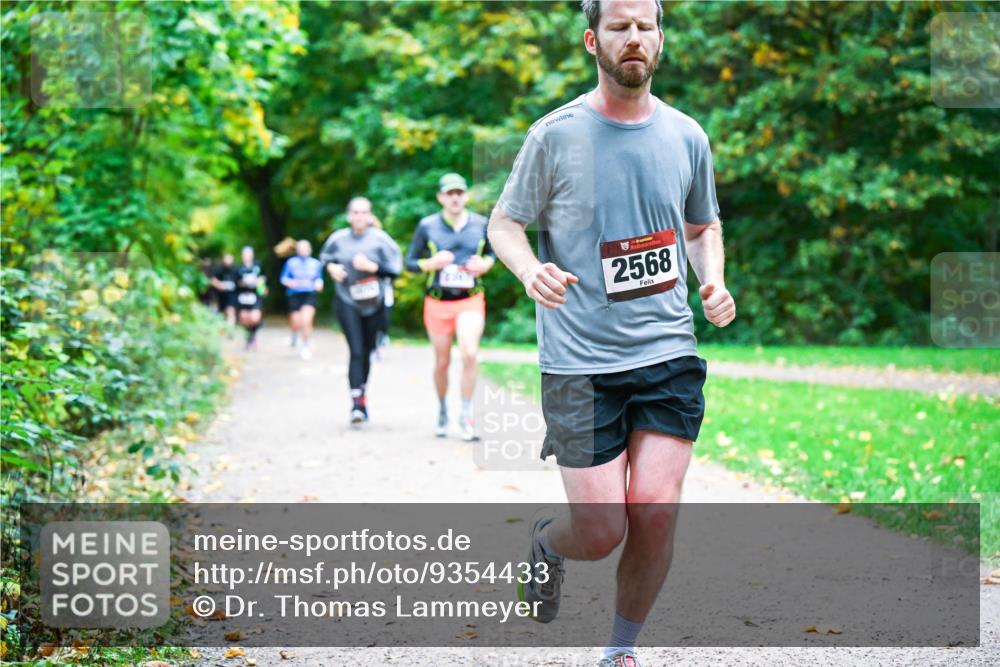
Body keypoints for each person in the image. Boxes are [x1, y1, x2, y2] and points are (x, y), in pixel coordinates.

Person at [487, 1, 736, 665]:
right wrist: (530, 267)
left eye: (646, 26)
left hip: (667, 352)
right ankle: (547, 539)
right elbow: (504, 224)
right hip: (578, 361)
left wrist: (711, 277)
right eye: (621, 26)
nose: (635, 38)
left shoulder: (687, 136)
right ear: (594, 40)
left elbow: (700, 224)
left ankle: (620, 650)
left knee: (655, 507)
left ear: (660, 39)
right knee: (600, 531)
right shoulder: (555, 135)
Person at [405, 173, 495, 441]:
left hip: (470, 298)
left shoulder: (481, 223)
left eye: (459, 193)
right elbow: (410, 262)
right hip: (437, 301)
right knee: (442, 362)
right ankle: (443, 410)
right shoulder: (427, 226)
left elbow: (492, 254)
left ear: (465, 196)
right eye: (449, 193)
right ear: (441, 197)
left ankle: (465, 415)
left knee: (469, 354)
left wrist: (486, 265)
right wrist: (430, 264)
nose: (455, 198)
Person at [319, 197, 403, 425]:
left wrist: (372, 267)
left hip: (374, 303)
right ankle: (356, 404)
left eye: (363, 212)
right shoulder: (338, 239)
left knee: (366, 351)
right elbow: (324, 260)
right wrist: (331, 268)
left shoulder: (381, 240)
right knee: (355, 350)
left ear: (370, 215)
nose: (359, 217)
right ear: (349, 215)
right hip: (347, 301)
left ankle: (362, 394)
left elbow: (395, 270)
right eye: (355, 212)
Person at [280, 240, 324, 360]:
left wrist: (319, 284)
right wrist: (291, 283)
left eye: (306, 248)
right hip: (294, 295)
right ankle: (294, 334)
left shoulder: (316, 263)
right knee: (296, 322)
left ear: (309, 249)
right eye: (301, 248)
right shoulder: (291, 263)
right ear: (297, 250)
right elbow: (283, 278)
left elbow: (319, 279)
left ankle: (305, 346)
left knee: (306, 320)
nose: (303, 250)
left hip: (309, 294)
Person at [235, 246, 267, 350]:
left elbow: (264, 278)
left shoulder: (258, 266)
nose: (247, 257)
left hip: (255, 295)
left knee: (254, 318)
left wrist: (261, 285)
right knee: (244, 318)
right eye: (245, 255)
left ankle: (253, 336)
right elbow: (236, 282)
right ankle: (248, 338)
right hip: (243, 295)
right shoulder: (239, 268)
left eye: (249, 254)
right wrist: (243, 283)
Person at [210, 253, 239, 326]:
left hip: (232, 295)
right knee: (224, 313)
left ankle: (230, 330)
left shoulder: (236, 269)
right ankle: (226, 328)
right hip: (222, 295)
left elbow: (240, 280)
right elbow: (212, 280)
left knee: (231, 311)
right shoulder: (219, 269)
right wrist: (219, 285)